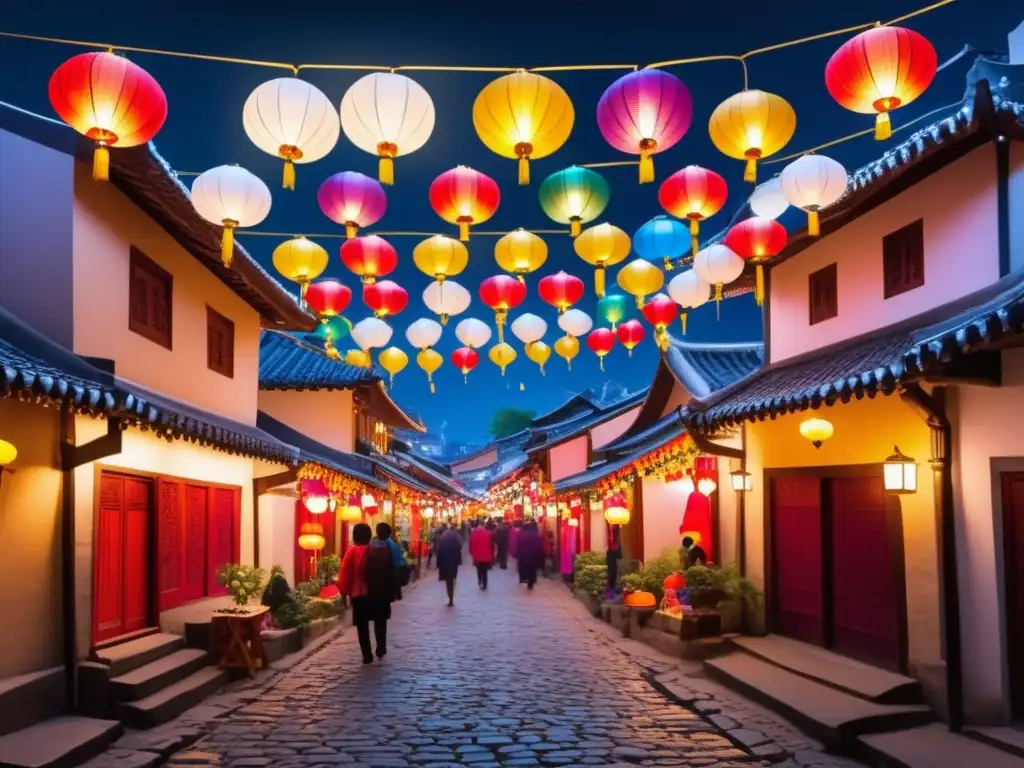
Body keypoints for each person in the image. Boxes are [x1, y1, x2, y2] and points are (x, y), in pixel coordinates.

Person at [338, 523, 396, 664]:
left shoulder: (352, 551)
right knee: (380, 621)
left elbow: (345, 574)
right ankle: (381, 648)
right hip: (378, 592)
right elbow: (390, 571)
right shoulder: (379, 549)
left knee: (362, 625)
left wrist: (344, 592)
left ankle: (367, 655)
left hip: (359, 593)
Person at [435, 524, 464, 606]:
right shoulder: (456, 537)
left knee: (448, 581)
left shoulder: (442, 537)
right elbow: (459, 548)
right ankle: (451, 597)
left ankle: (450, 597)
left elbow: (439, 551)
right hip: (453, 562)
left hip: (444, 562)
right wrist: (459, 561)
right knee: (452, 579)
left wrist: (438, 563)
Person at [374, 522, 404, 600]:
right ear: (389, 532)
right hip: (389, 579)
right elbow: (398, 561)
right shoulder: (391, 543)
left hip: (378, 581)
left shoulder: (374, 543)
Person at [516, 520, 544, 590]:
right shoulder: (535, 534)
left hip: (523, 555)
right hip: (532, 555)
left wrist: (518, 554)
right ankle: (531, 582)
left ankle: (524, 579)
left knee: (524, 568)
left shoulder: (521, 534)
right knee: (532, 569)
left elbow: (518, 545)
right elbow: (538, 545)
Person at [470, 520, 495, 590]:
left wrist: (472, 554)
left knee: (479, 569)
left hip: (477, 556)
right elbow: (491, 546)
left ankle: (479, 580)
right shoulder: (488, 533)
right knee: (485, 571)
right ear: (484, 525)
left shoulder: (474, 533)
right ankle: (484, 585)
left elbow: (471, 545)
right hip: (486, 556)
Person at [606, 526, 622, 601]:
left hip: (614, 558)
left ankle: (611, 593)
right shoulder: (612, 541)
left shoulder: (617, 541)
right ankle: (611, 593)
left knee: (613, 575)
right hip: (612, 558)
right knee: (612, 574)